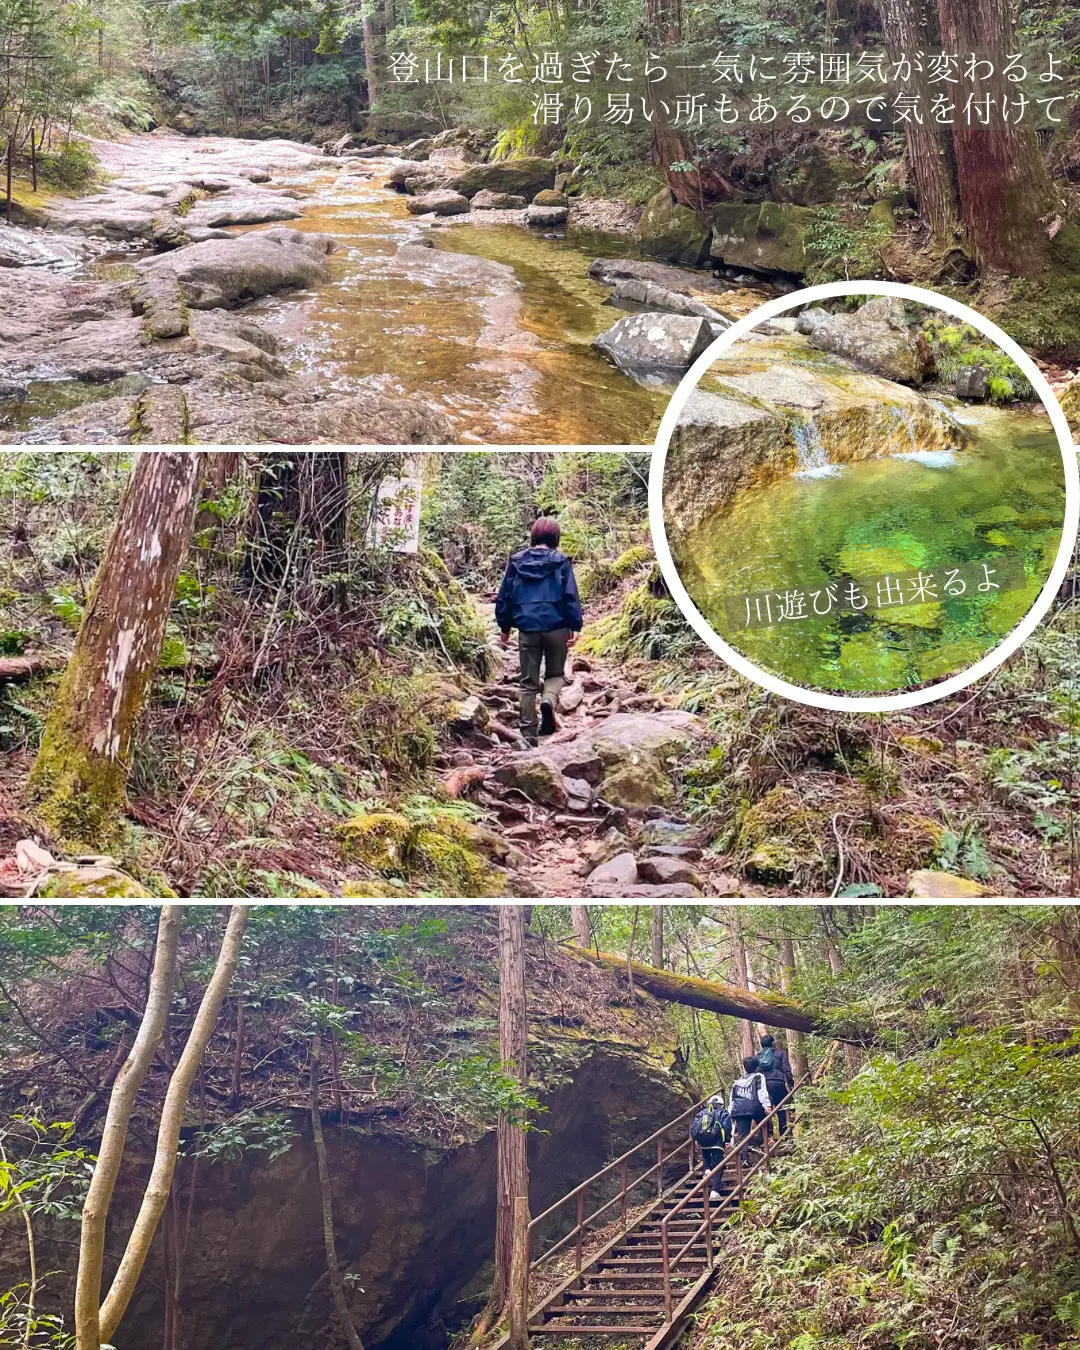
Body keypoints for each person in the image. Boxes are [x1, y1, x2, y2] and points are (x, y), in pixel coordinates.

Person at [494, 517, 583, 746]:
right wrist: (575, 626)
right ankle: (549, 701)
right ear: (555, 537)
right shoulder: (561, 561)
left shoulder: (516, 561)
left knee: (527, 682)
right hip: (557, 626)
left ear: (533, 536)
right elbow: (570, 595)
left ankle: (528, 734)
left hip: (528, 627)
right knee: (555, 674)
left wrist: (504, 627)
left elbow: (505, 595)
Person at [727, 1056, 771, 1166]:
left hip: (739, 1109)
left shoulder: (737, 1082)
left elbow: (732, 1098)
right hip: (754, 1106)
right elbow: (762, 1091)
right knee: (766, 1122)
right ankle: (764, 1142)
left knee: (743, 1135)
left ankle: (745, 1158)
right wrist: (767, 1106)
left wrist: (730, 1112)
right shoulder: (758, 1077)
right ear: (756, 1067)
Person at [689, 1093, 732, 1203]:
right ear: (721, 1104)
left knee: (706, 1158)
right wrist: (727, 1140)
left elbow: (694, 1127)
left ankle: (707, 1170)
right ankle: (714, 1191)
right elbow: (727, 1127)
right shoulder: (723, 1112)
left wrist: (697, 1140)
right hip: (717, 1143)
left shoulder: (701, 1113)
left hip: (704, 1142)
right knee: (718, 1167)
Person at [757, 1034, 795, 1137]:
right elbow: (786, 1069)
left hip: (764, 1086)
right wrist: (791, 1084)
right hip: (778, 1084)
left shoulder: (758, 1057)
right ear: (773, 1043)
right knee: (782, 1110)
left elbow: (756, 1073)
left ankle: (767, 1137)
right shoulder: (781, 1053)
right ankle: (785, 1136)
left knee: (766, 1110)